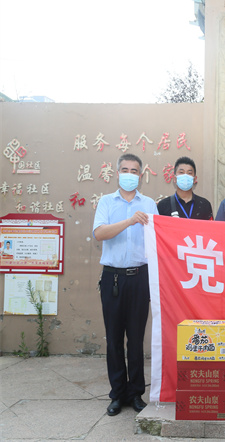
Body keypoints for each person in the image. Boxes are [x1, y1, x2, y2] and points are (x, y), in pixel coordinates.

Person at [92, 153, 158, 417]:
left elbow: (159, 239)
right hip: (113, 278)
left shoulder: (149, 204)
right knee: (114, 339)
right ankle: (117, 394)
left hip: (140, 277)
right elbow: (99, 233)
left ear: (141, 175)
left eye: (134, 170)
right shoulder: (106, 202)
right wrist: (130, 221)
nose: (129, 174)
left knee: (136, 339)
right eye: (125, 169)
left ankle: (136, 393)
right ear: (117, 173)